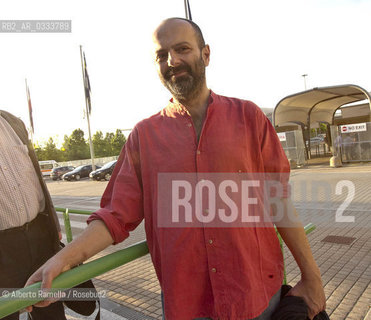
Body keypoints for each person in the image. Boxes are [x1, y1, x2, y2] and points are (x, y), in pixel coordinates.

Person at [26, 18, 326, 320]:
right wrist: (62, 260)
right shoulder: (143, 137)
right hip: (188, 306)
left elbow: (279, 201)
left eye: (183, 49)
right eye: (162, 55)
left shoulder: (249, 117)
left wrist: (311, 276)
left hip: (258, 297)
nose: (173, 61)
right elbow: (115, 216)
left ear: (205, 54)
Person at [0, 110, 66, 320]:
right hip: (2, 248)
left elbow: (36, 178)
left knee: (51, 312)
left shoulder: (12, 122)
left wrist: (53, 224)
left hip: (39, 237)